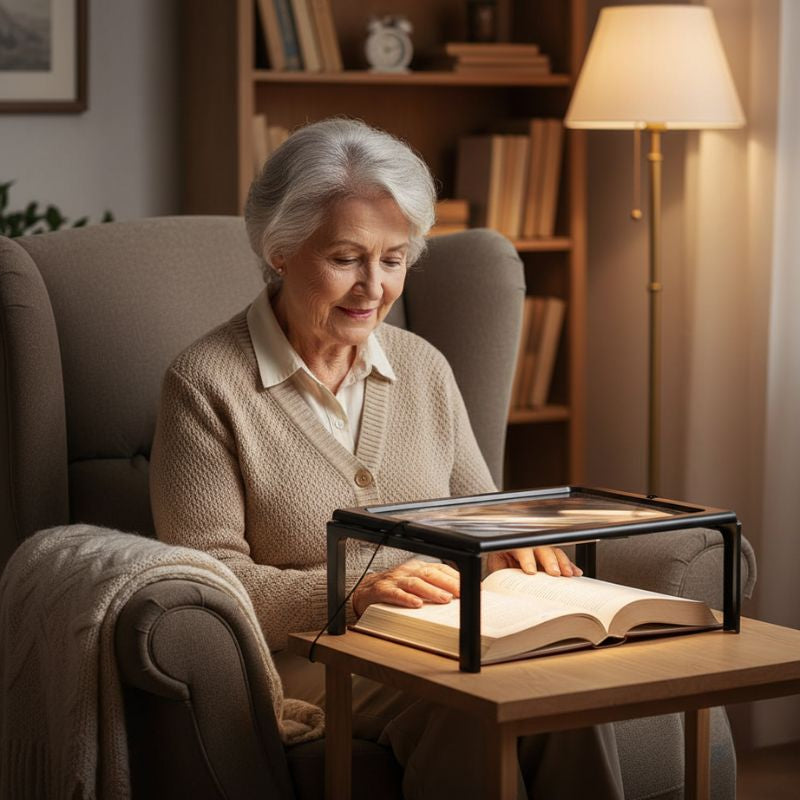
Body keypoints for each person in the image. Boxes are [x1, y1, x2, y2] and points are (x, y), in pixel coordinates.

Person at [150, 118, 624, 799]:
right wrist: (350, 588)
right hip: (304, 650)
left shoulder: (423, 366)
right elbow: (206, 586)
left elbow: (478, 512)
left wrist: (514, 544)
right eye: (346, 258)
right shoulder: (204, 383)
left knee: (565, 691)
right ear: (281, 250)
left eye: (393, 259)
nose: (374, 286)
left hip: (438, 629)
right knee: (465, 706)